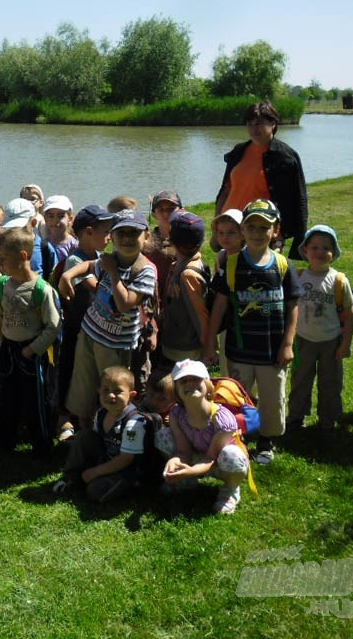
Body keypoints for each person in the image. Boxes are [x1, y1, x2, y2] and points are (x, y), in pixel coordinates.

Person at [203, 199, 302, 465]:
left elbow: (293, 305)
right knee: (236, 396)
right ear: (243, 231)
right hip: (239, 349)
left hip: (272, 350)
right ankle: (237, 437)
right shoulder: (233, 265)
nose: (257, 233)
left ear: (276, 230)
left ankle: (267, 441)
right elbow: (220, 305)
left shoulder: (283, 265)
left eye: (264, 227)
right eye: (251, 227)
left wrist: (288, 343)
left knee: (272, 397)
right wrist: (210, 339)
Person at [58, 209, 157, 427]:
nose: (127, 238)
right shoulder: (111, 258)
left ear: (146, 236)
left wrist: (113, 273)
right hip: (90, 333)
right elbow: (90, 265)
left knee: (112, 393)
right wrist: (68, 275)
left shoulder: (145, 270)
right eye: (121, 233)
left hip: (115, 345)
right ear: (111, 236)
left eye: (134, 233)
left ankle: (111, 432)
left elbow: (125, 304)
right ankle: (86, 432)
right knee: (83, 388)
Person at [0, 227, 61, 457]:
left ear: (23, 256)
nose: (0, 264)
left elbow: (53, 326)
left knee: (35, 402)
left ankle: (41, 445)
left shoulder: (42, 290)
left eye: (4, 259)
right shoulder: (2, 285)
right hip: (8, 348)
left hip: (31, 353)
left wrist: (32, 350)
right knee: (8, 397)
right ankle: (5, 441)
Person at [215, 100, 308, 257]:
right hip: (231, 228)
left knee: (260, 277)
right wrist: (217, 227)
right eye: (249, 124)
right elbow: (225, 190)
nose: (253, 129)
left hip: (259, 230)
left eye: (259, 123)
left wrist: (281, 235)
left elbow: (298, 199)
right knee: (229, 276)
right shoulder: (239, 151)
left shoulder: (285, 157)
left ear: (273, 123)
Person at [156, 359, 250, 515]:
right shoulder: (177, 414)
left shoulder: (222, 418)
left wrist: (191, 470)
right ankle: (185, 480)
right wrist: (175, 461)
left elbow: (211, 458)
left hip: (220, 463)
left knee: (231, 455)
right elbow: (183, 451)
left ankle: (230, 489)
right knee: (162, 436)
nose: (190, 384)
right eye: (184, 381)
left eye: (196, 379)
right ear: (176, 390)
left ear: (207, 385)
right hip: (197, 455)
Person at [288, 225, 353, 431]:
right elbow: (289, 309)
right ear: (305, 250)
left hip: (331, 341)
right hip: (303, 339)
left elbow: (350, 314)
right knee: (300, 380)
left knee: (331, 383)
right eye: (314, 247)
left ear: (333, 253)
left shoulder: (338, 281)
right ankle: (296, 415)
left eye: (326, 248)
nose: (319, 252)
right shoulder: (298, 276)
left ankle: (328, 418)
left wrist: (345, 344)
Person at [55, 205, 114, 442]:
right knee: (69, 372)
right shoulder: (74, 260)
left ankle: (91, 415)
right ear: (89, 232)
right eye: (107, 232)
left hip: (95, 330)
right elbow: (100, 289)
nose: (110, 237)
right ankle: (64, 417)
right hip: (76, 329)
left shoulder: (99, 257)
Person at [52, 366, 154, 501]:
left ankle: (131, 486)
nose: (111, 395)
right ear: (98, 391)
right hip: (106, 459)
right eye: (105, 390)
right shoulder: (101, 413)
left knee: (95, 491)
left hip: (126, 469)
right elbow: (95, 441)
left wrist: (95, 472)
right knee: (84, 435)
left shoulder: (134, 423)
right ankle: (71, 476)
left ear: (131, 395)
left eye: (118, 391)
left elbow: (126, 459)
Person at [158, 210, 211, 371]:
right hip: (176, 343)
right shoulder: (179, 266)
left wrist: (207, 346)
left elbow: (199, 314)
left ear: (172, 240)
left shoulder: (188, 274)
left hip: (185, 348)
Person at [210, 208, 245, 374]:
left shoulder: (248, 256)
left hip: (245, 317)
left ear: (242, 233)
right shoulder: (221, 257)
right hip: (226, 320)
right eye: (221, 232)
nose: (225, 237)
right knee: (226, 361)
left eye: (231, 232)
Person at [1, 197, 56, 278]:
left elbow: (54, 278)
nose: (16, 233)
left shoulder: (45, 248)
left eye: (21, 228)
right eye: (11, 228)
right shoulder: (1, 249)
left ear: (34, 223)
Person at [42, 195, 77, 264]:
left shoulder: (75, 246)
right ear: (45, 218)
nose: (55, 221)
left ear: (70, 219)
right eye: (51, 216)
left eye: (60, 216)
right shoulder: (42, 245)